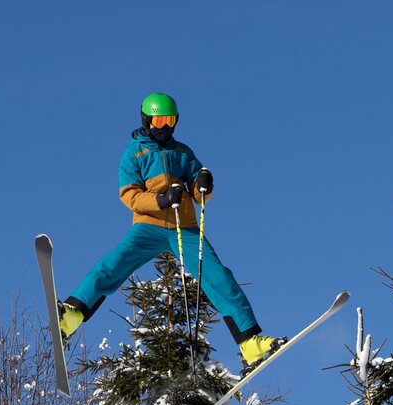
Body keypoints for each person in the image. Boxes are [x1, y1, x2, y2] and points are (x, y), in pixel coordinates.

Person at [59, 92, 282, 372]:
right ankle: (73, 314)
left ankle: (249, 342)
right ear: (146, 120)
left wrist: (204, 182)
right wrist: (161, 200)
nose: (164, 127)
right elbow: (129, 195)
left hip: (183, 226)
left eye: (170, 120)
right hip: (148, 225)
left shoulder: (182, 152)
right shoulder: (133, 154)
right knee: (112, 265)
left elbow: (199, 191)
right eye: (159, 121)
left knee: (218, 276)